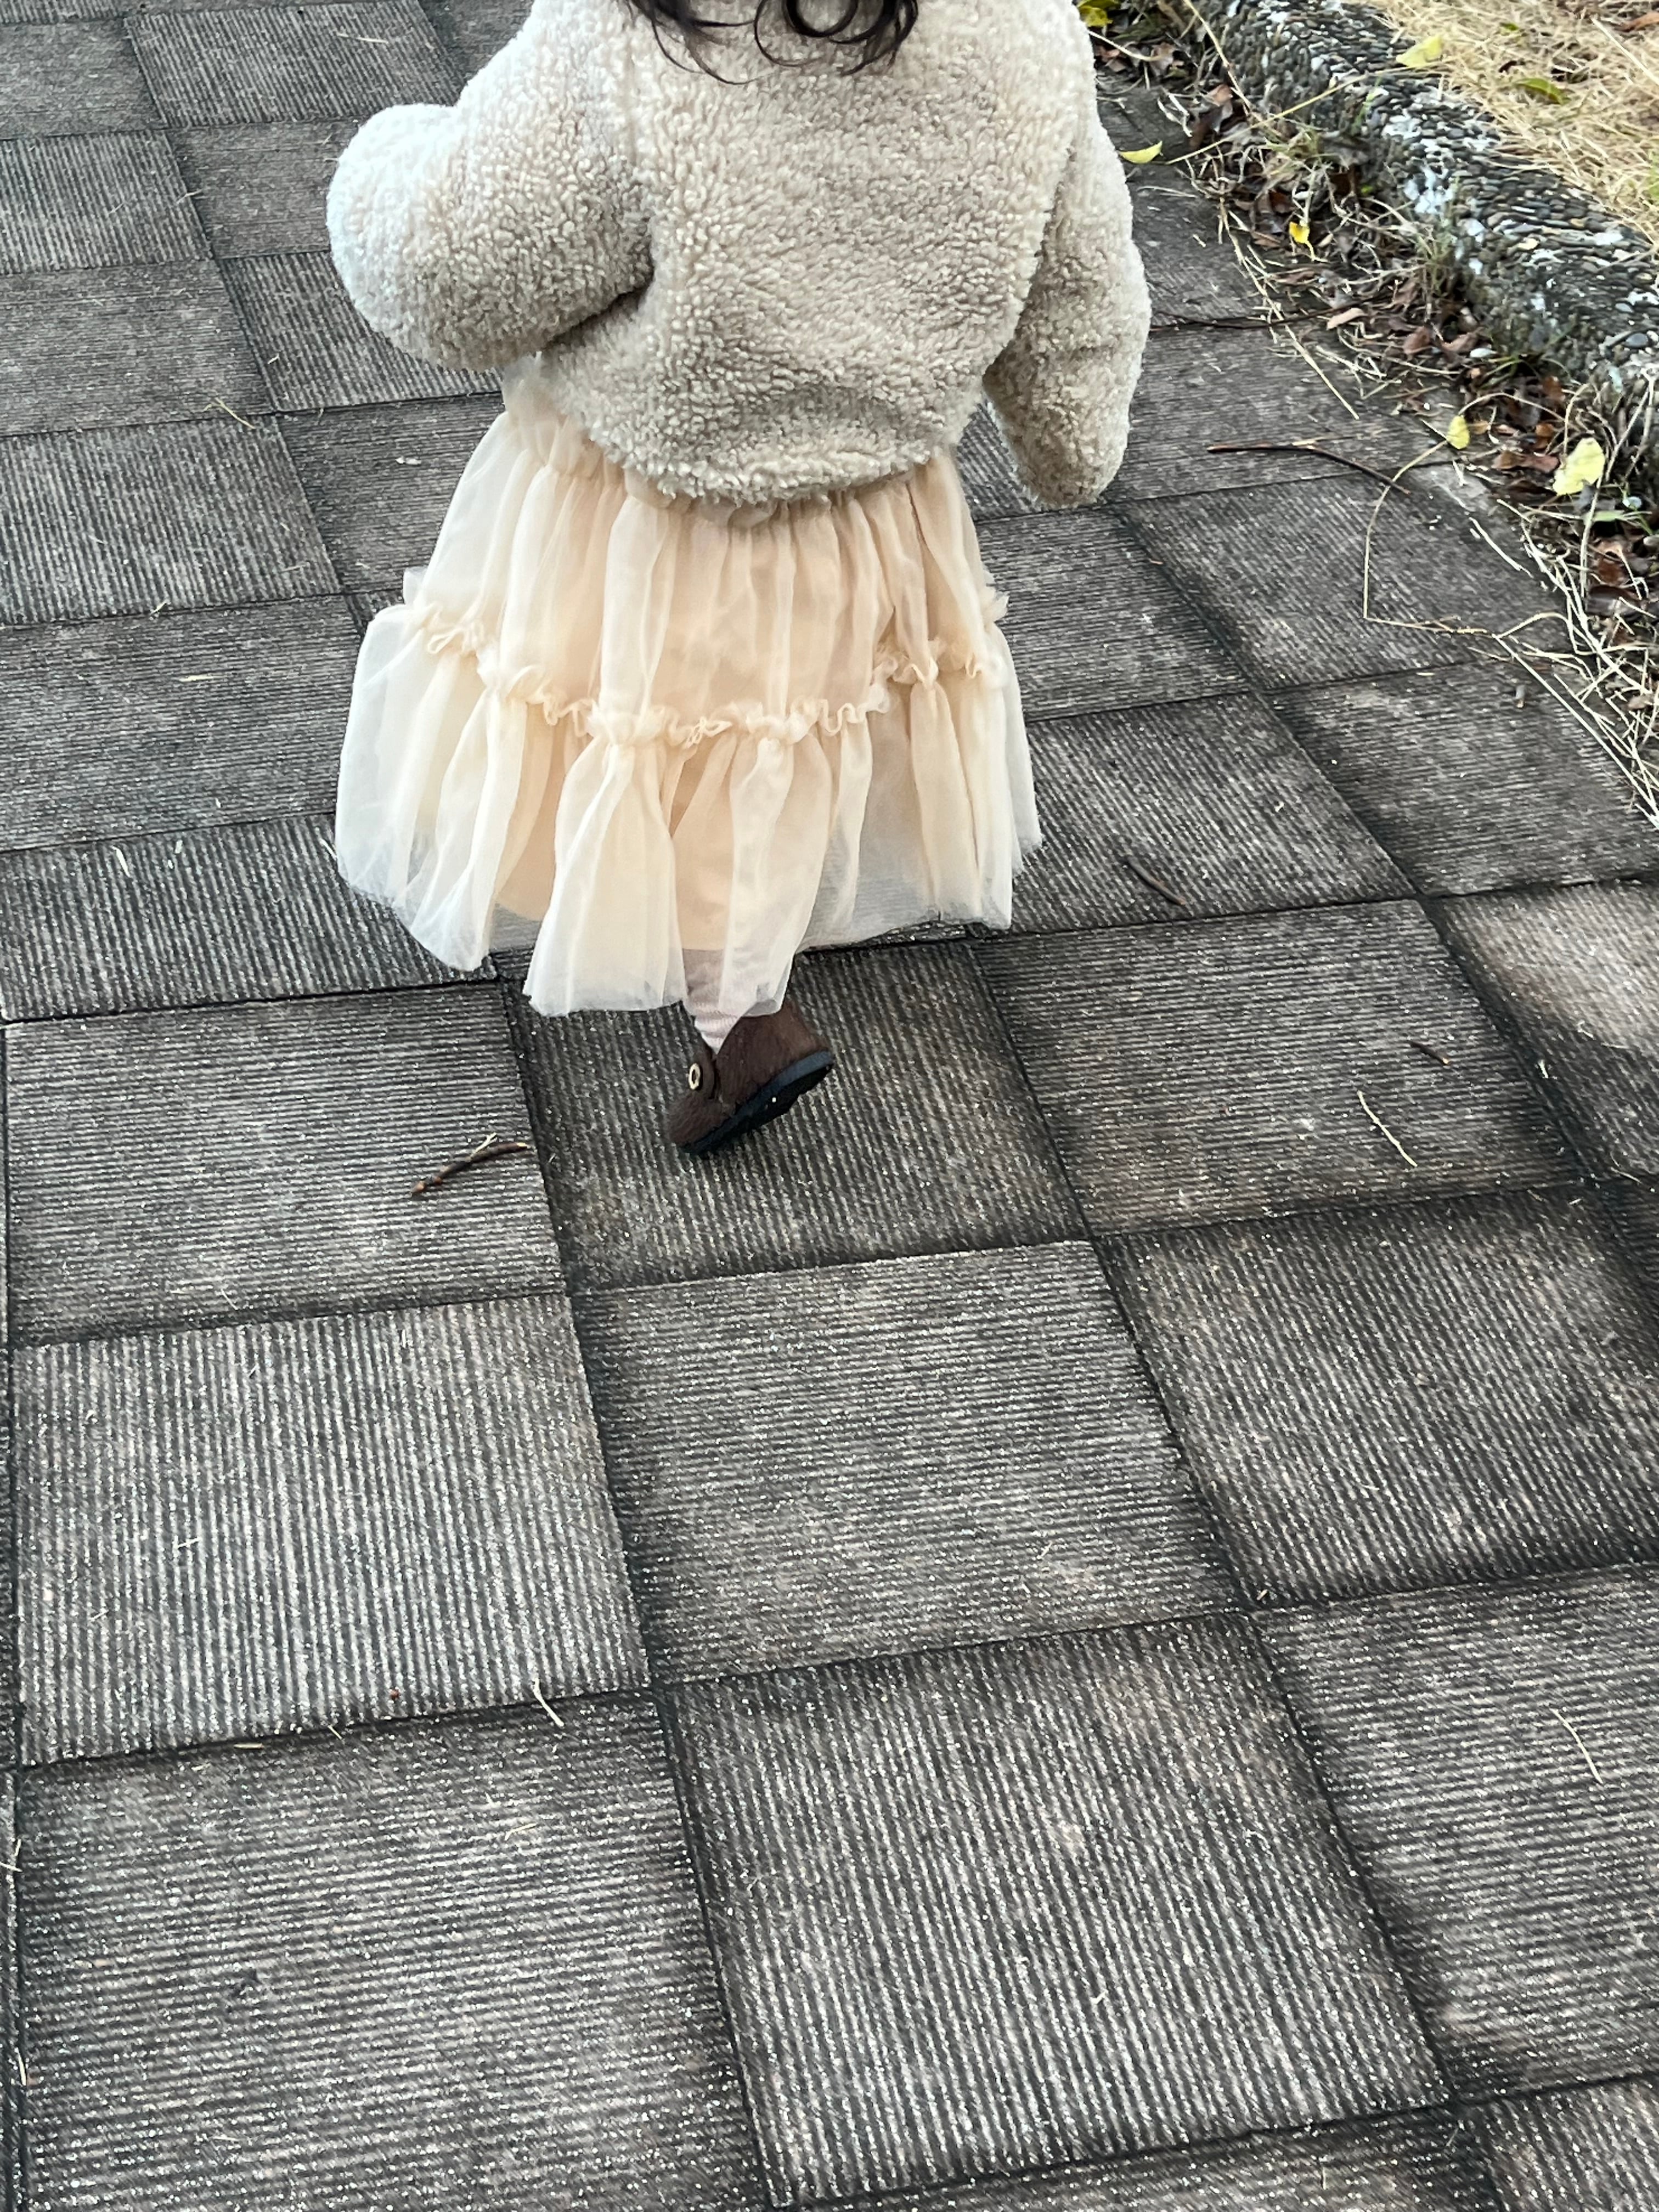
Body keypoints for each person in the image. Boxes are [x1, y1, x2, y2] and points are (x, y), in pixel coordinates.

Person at [328, 0, 1148, 1155]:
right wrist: (1072, 442)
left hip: (656, 504)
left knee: (669, 720)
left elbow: (457, 268)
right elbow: (1080, 279)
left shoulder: (642, 37)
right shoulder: (1023, 28)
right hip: (874, 501)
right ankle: (770, 920)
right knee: (791, 715)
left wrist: (386, 158)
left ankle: (739, 1014)